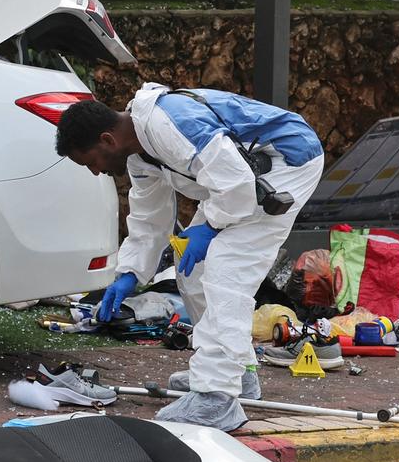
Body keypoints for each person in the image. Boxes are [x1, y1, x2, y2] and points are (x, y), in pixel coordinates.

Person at [54, 85, 325, 431]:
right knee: (192, 269)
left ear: (107, 140)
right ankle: (238, 373)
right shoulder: (139, 154)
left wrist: (210, 227)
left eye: (91, 161)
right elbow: (149, 218)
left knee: (226, 267)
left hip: (288, 162)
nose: (96, 171)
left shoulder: (171, 125)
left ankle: (217, 397)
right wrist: (130, 274)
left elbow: (237, 184)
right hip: (243, 181)